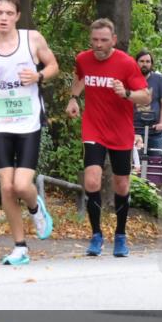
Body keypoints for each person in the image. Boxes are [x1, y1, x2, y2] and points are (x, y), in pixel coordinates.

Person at [0, 0, 58, 265]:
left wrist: (38, 75)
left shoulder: (31, 39)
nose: (3, 18)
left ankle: (36, 209)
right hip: (0, 122)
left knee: (22, 185)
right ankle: (20, 246)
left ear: (17, 16)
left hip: (28, 122)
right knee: (6, 186)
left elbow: (54, 66)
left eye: (9, 13)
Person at [66, 18, 151, 257]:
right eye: (94, 40)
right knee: (92, 180)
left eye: (104, 40)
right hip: (93, 127)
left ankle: (121, 235)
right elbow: (80, 76)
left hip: (121, 131)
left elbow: (145, 97)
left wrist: (125, 93)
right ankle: (96, 235)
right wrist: (74, 98)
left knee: (121, 184)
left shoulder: (126, 64)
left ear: (113, 40)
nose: (98, 45)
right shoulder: (83, 58)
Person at [133, 50, 162, 154]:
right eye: (141, 61)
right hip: (135, 130)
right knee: (134, 164)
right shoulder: (130, 79)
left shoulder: (159, 79)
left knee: (157, 163)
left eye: (147, 61)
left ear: (151, 64)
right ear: (136, 62)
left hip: (155, 130)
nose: (144, 64)